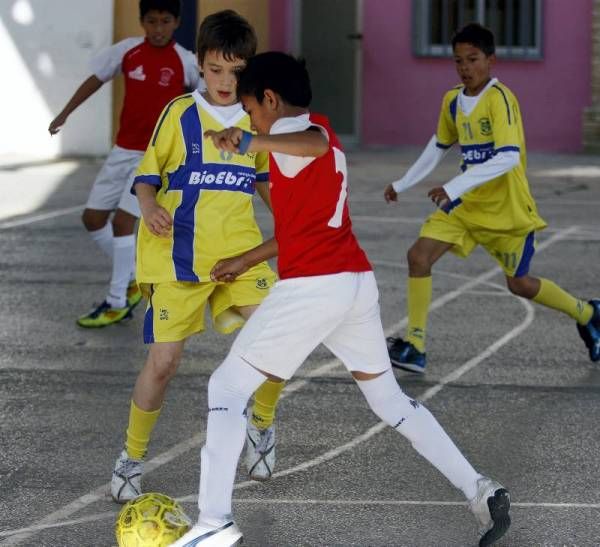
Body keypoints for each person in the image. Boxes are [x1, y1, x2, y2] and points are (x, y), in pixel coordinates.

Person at [172, 52, 511, 547]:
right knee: (389, 400)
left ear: (270, 100)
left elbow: (302, 146)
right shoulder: (322, 133)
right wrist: (247, 259)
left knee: (226, 389)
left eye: (251, 109)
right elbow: (303, 225)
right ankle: (481, 490)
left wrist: (252, 140)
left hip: (314, 288)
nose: (248, 119)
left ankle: (214, 525)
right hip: (352, 284)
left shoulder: (298, 140)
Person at [109, 11, 285, 504]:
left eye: (235, 71)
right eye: (215, 70)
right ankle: (131, 457)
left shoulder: (257, 121)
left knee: (279, 337)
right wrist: (147, 207)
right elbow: (146, 176)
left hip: (239, 254)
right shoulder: (180, 113)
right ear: (200, 66)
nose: (225, 82)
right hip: (175, 258)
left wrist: (301, 222)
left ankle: (263, 424)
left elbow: (267, 184)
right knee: (163, 363)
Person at [384, 22, 600, 374]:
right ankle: (416, 345)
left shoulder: (501, 100)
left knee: (520, 284)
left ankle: (588, 313)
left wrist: (452, 186)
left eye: (473, 59)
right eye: (458, 61)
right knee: (418, 256)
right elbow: (439, 144)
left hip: (505, 210)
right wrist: (403, 182)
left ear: (490, 60)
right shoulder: (452, 100)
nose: (465, 68)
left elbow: (508, 156)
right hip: (466, 207)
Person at [49, 0, 201, 328]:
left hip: (156, 157)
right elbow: (95, 79)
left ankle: (117, 301)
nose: (157, 29)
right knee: (92, 219)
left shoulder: (186, 61)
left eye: (164, 21)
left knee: (122, 223)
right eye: (151, 21)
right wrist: (64, 113)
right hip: (122, 150)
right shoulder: (127, 52)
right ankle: (133, 277)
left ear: (176, 22)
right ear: (142, 22)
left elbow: (203, 102)